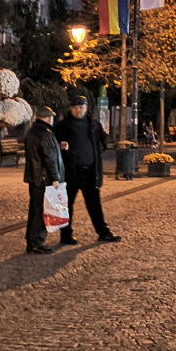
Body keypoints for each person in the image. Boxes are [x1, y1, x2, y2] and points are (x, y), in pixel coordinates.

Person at [57, 92, 121, 244]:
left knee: (94, 205)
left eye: (81, 107)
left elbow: (103, 141)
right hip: (71, 172)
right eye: (76, 107)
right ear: (71, 109)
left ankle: (103, 232)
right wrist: (61, 146)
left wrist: (96, 152)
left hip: (90, 171)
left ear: (86, 108)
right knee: (67, 205)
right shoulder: (63, 126)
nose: (78, 110)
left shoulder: (94, 125)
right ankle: (66, 235)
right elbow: (53, 144)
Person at [23, 105, 64, 254]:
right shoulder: (46, 133)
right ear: (48, 118)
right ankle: (36, 242)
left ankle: (31, 240)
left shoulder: (32, 132)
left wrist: (58, 146)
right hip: (44, 179)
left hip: (34, 178)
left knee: (35, 210)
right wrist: (55, 178)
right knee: (42, 212)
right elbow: (49, 157)